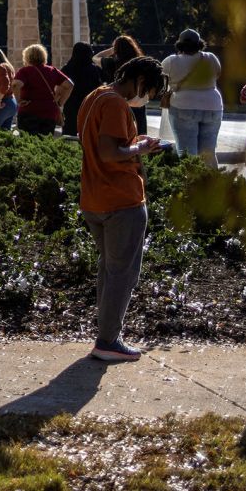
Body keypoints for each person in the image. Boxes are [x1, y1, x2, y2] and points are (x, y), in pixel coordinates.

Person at [75, 55, 170, 362]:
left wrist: (134, 142)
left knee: (108, 269)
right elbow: (110, 152)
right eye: (148, 91)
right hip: (121, 199)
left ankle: (107, 334)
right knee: (122, 274)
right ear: (139, 80)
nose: (144, 98)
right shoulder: (116, 103)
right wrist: (139, 148)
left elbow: (99, 144)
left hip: (94, 198)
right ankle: (108, 340)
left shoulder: (95, 96)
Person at [161, 29, 224, 167]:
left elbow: (161, 78)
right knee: (208, 153)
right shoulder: (211, 58)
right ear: (199, 43)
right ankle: (211, 184)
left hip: (183, 106)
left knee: (187, 153)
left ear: (179, 44)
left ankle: (190, 186)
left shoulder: (171, 61)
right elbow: (218, 74)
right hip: (213, 105)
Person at [13, 44, 71, 136]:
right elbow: (69, 85)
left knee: (29, 143)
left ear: (26, 57)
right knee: (45, 143)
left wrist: (18, 100)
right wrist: (60, 102)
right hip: (49, 113)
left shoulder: (25, 71)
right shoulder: (52, 70)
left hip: (29, 112)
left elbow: (16, 85)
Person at [96, 35, 148, 135]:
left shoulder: (111, 63)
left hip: (117, 100)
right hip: (137, 101)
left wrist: (112, 50)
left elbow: (95, 58)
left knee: (120, 130)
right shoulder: (141, 63)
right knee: (139, 132)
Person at [60, 42, 105, 137]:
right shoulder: (94, 70)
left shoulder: (66, 69)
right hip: (90, 105)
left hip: (71, 106)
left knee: (70, 134)